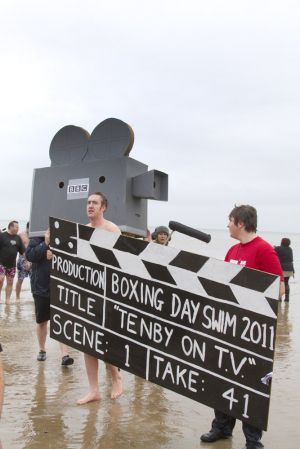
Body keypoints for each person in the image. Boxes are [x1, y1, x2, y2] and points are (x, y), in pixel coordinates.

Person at [200, 205, 284, 449]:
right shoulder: (232, 250)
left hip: (252, 331)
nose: (227, 224)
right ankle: (222, 428)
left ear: (241, 222)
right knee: (221, 376)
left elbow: (278, 289)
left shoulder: (264, 249)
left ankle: (252, 440)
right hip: (228, 327)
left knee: (250, 382)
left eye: (229, 220)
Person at [77, 192, 123, 405]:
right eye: (88, 202)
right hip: (87, 292)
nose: (90, 206)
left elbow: (120, 261)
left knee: (106, 339)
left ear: (103, 207)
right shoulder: (82, 230)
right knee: (87, 341)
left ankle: (116, 377)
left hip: (107, 293)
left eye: (94, 203)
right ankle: (93, 390)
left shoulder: (111, 229)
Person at [25, 229, 74, 366]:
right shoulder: (37, 237)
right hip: (41, 286)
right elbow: (29, 255)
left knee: (62, 319)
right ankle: (42, 349)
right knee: (42, 321)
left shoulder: (66, 235)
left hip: (61, 285)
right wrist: (45, 244)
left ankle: (65, 354)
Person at [0, 221, 25, 304]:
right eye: (16, 227)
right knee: (1, 279)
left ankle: (7, 300)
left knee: (10, 282)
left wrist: (27, 260)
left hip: (12, 265)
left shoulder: (18, 238)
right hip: (1, 263)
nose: (18, 229)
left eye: (18, 227)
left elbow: (22, 251)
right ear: (10, 227)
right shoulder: (2, 236)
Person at [16, 222, 32, 300]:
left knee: (34, 280)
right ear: (27, 227)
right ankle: (17, 297)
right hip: (22, 260)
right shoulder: (21, 235)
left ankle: (34, 297)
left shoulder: (35, 235)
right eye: (29, 229)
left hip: (33, 260)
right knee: (20, 279)